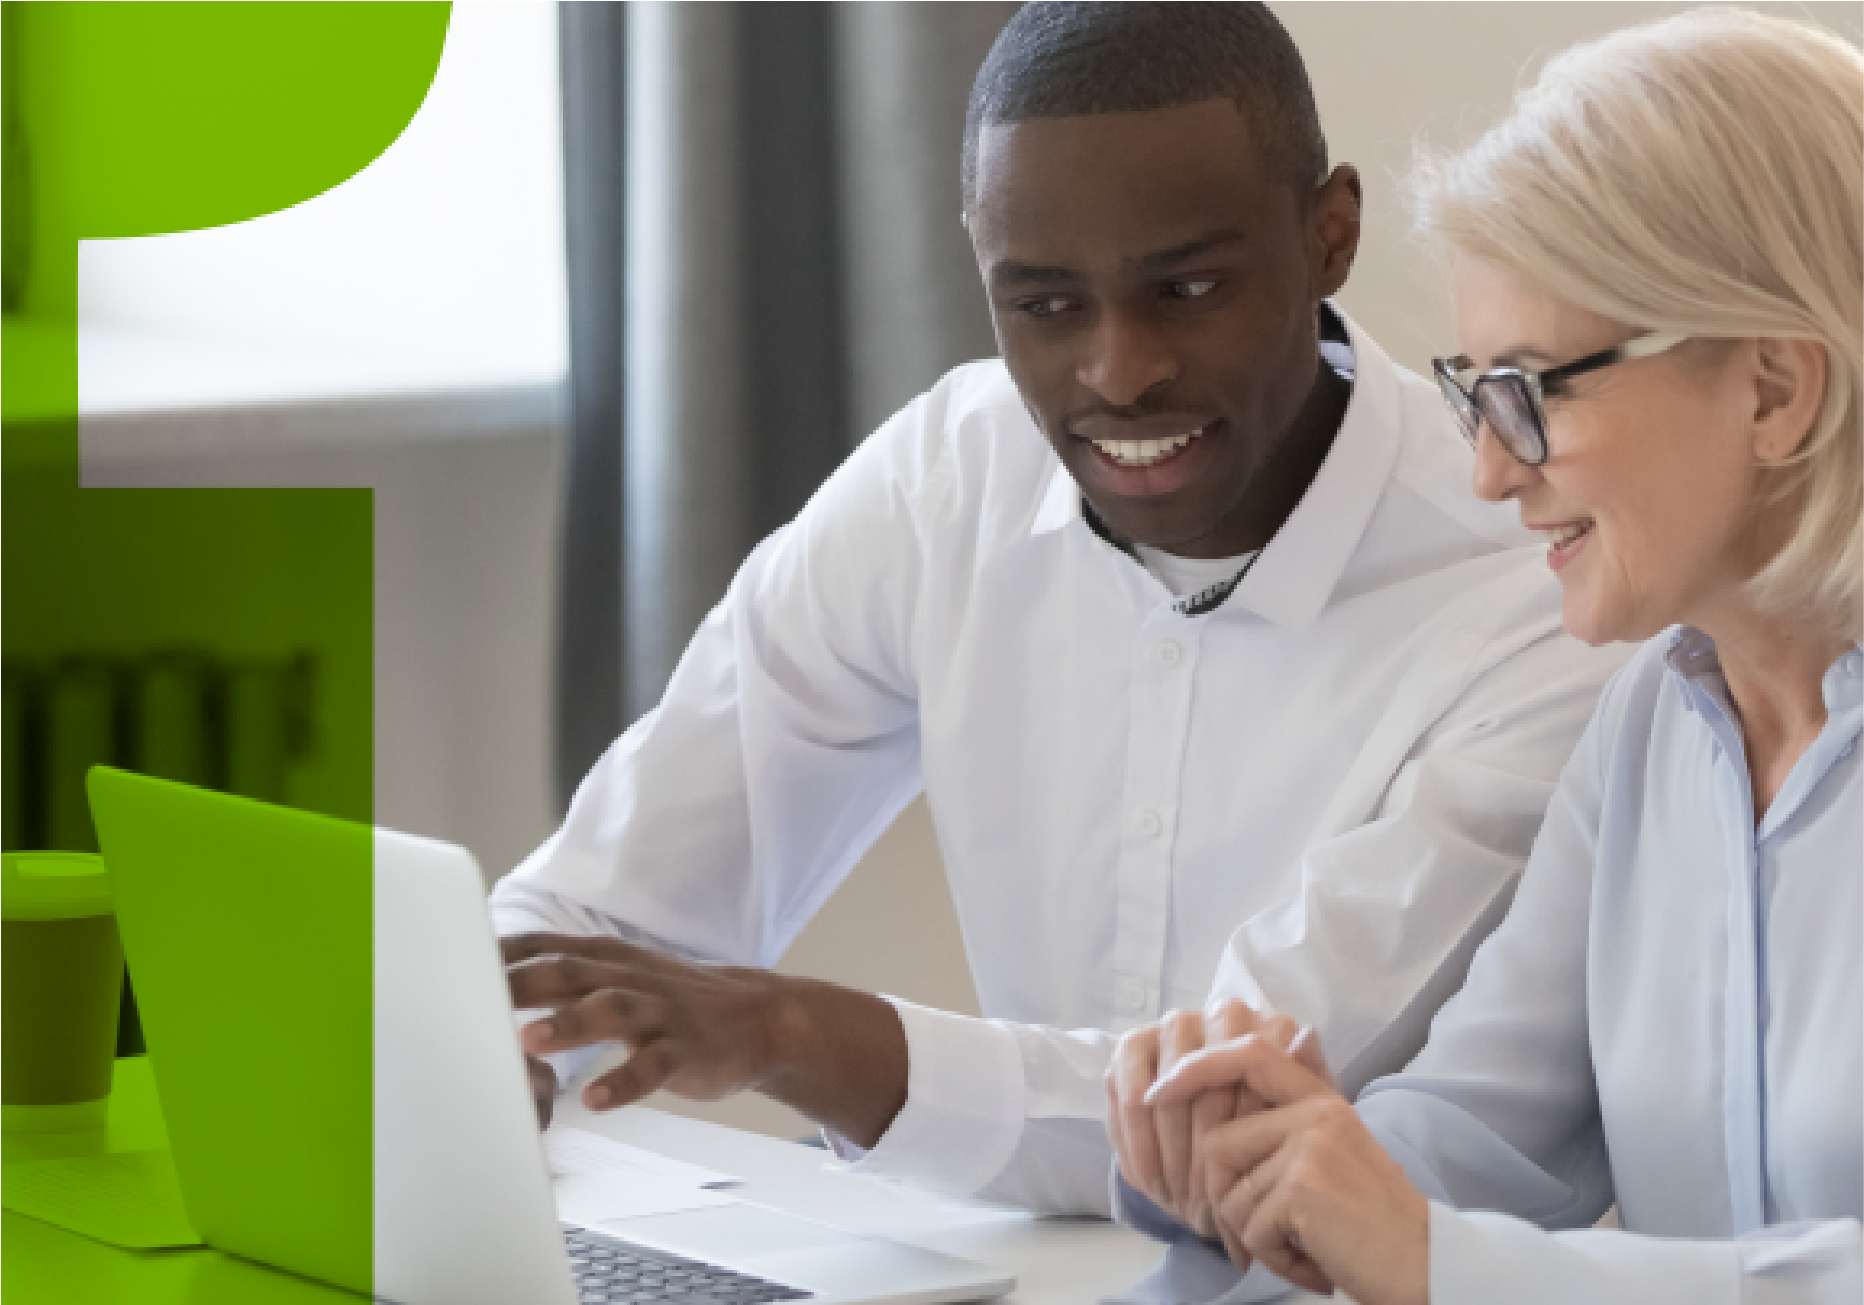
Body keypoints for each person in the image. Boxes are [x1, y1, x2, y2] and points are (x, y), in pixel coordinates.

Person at [491, 2, 1624, 1217]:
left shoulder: (1528, 582)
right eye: (1042, 305)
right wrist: (487, 1045)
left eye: (1187, 288)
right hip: (1005, 1270)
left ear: (1328, 233)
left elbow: (1232, 1105)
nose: (1117, 371)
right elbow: (597, 910)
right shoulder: (950, 476)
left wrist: (789, 1032)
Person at [1107, 9, 1862, 1302]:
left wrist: (1431, 1257)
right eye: (1473, 395)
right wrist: (1256, 1163)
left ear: (1775, 388)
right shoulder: (1650, 726)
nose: (1489, 469)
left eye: (1531, 392)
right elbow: (1477, 1137)